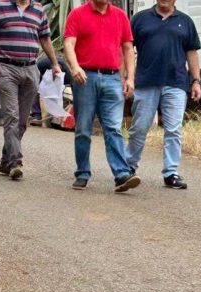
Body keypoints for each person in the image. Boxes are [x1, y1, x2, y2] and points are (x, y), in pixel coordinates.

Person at [63, 0, 140, 192]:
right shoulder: (77, 14)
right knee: (83, 127)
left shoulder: (120, 16)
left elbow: (128, 48)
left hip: (112, 78)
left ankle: (121, 174)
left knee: (113, 127)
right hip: (85, 78)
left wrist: (130, 78)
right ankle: (82, 173)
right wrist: (75, 67)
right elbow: (69, 44)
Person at [126, 0, 201, 190]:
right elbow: (126, 48)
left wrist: (196, 81)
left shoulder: (185, 21)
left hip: (176, 83)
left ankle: (171, 173)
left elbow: (191, 52)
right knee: (140, 127)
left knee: (173, 129)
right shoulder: (140, 19)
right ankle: (128, 167)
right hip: (146, 82)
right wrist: (126, 77)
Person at [0, 0, 61, 180]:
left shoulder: (39, 10)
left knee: (22, 121)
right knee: (11, 116)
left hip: (31, 69)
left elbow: (45, 38)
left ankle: (5, 160)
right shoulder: (0, 5)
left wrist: (55, 63)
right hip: (6, 67)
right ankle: (16, 162)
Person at [0, 52, 72, 127]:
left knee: (63, 94)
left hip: (56, 75)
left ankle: (56, 115)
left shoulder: (66, 72)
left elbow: (72, 85)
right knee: (34, 90)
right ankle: (36, 115)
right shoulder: (42, 64)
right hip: (37, 73)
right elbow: (32, 77)